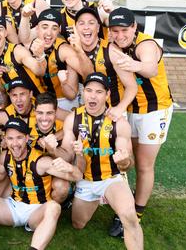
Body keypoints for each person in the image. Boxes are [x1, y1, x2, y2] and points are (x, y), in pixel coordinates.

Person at [103, 8, 174, 238]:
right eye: (115, 31)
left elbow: (151, 67)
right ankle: (125, 201)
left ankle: (136, 213)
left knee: (144, 165)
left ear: (134, 27)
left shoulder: (145, 44)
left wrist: (136, 66)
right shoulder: (114, 43)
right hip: (129, 108)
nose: (120, 35)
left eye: (125, 30)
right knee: (126, 160)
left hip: (155, 111)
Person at [0, 117, 81, 250]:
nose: (15, 143)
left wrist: (71, 168)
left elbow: (77, 176)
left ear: (27, 138)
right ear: (5, 139)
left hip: (37, 212)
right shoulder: (5, 156)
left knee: (54, 207)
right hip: (12, 207)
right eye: (10, 138)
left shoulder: (41, 161)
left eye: (19, 138)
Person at [59, 72, 144, 250]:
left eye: (98, 92)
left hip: (110, 179)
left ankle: (115, 198)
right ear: (83, 93)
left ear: (107, 95)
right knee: (78, 224)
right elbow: (66, 155)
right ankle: (94, 199)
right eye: (89, 90)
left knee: (129, 217)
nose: (92, 95)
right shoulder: (73, 118)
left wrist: (123, 161)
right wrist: (57, 149)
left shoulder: (118, 122)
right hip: (86, 179)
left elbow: (128, 165)